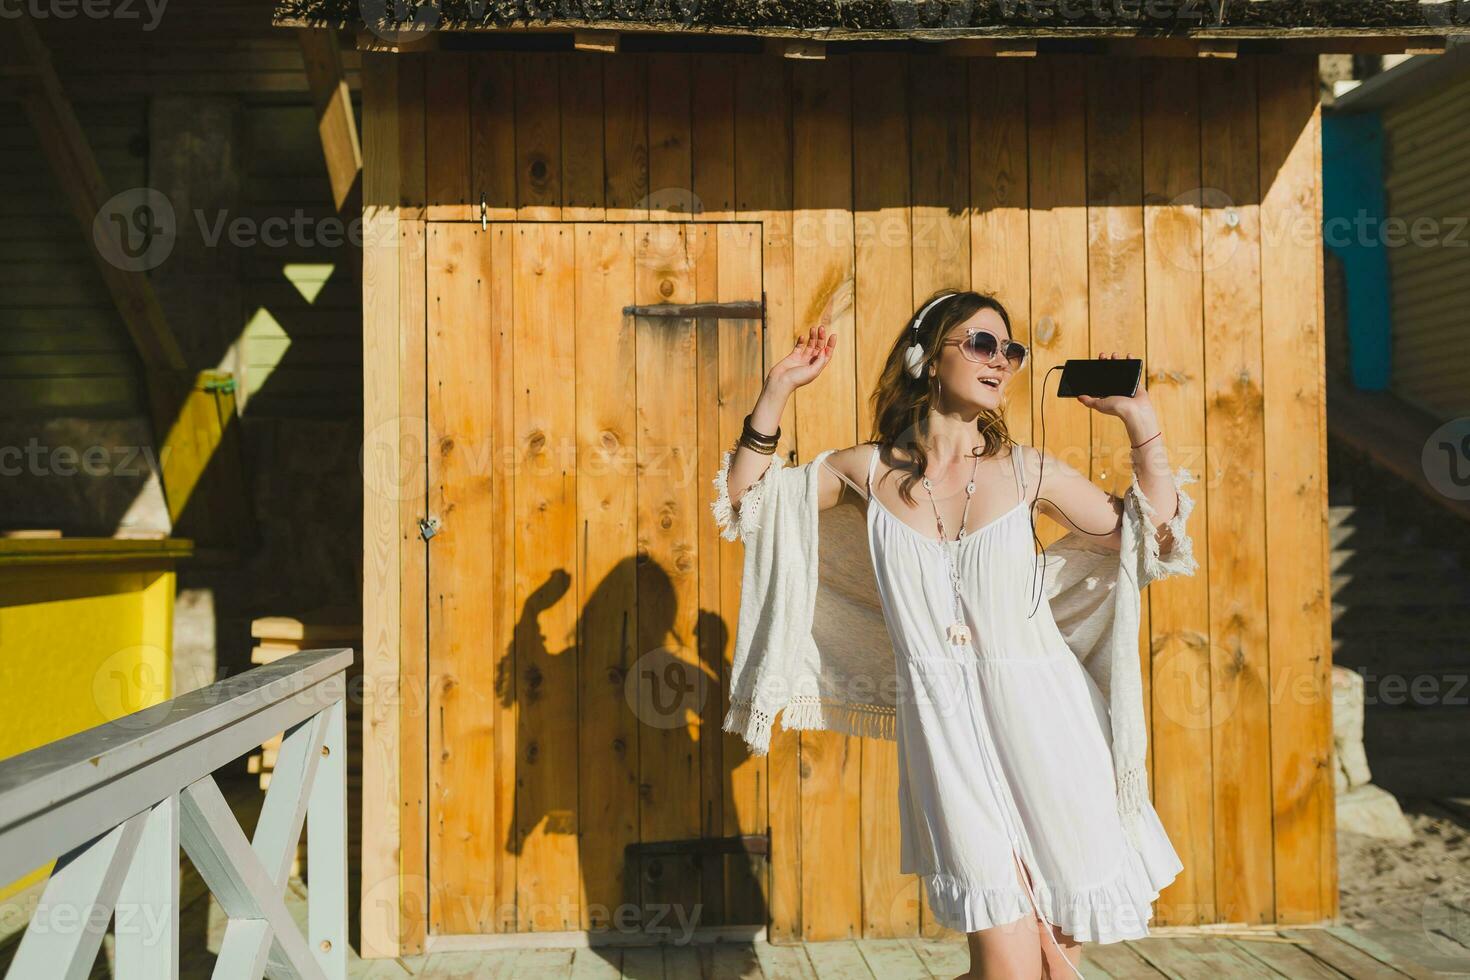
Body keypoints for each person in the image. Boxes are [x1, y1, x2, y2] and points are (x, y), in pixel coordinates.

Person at [717, 290, 1193, 980]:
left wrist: (1140, 422)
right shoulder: (866, 472)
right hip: (945, 743)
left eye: (1011, 350)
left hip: (1051, 735)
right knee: (1009, 969)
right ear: (926, 356)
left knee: (1054, 971)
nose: (1001, 361)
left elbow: (1155, 537)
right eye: (980, 343)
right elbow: (747, 503)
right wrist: (778, 389)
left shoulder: (1029, 472)